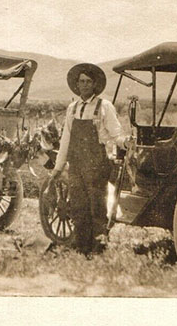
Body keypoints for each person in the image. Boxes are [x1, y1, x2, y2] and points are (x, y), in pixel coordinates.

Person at [53, 63, 125, 254]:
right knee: (78, 204)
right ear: (77, 85)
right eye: (81, 81)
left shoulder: (104, 107)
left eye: (88, 82)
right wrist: (59, 166)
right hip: (76, 164)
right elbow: (66, 138)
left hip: (97, 164)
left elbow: (116, 133)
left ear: (94, 85)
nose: (84, 85)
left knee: (96, 205)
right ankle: (80, 245)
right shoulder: (73, 108)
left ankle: (98, 246)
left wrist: (125, 142)